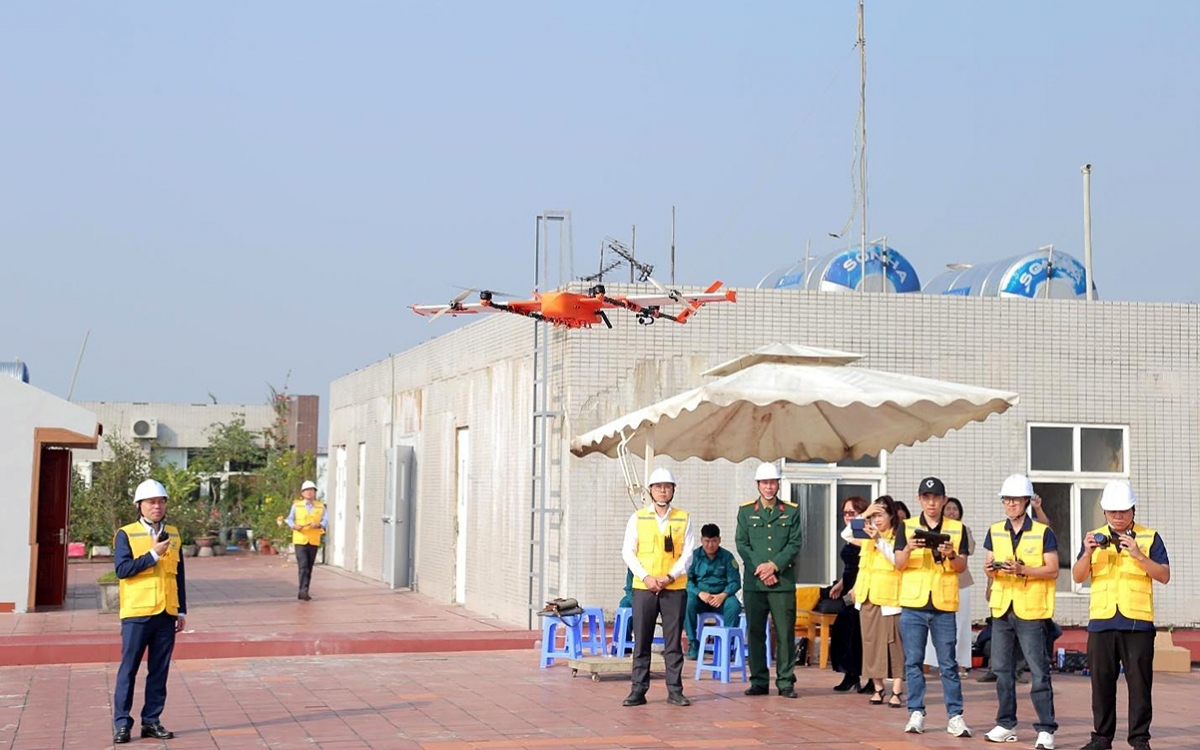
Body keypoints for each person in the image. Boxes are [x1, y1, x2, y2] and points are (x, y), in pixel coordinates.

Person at [1072, 480, 1170, 750]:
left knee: (1139, 685)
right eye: (1112, 511)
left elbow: (1164, 576)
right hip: (1102, 621)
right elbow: (1078, 576)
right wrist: (1087, 553)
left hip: (1137, 622)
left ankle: (1139, 740)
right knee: (1101, 684)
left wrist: (1138, 555)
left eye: (1123, 511)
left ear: (1133, 510)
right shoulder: (1094, 537)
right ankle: (1102, 738)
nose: (1118, 516)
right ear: (1104, 512)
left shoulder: (1149, 537)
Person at [981, 474, 1059, 750]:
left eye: (1015, 499)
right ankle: (1005, 723)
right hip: (1002, 608)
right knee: (1002, 670)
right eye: (1006, 499)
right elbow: (987, 564)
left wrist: (1023, 569)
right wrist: (990, 570)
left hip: (1031, 608)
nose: (1010, 503)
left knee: (1038, 671)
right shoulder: (994, 530)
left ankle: (1046, 729)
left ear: (1027, 501)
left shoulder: (1042, 532)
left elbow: (1052, 569)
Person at [893, 477, 971, 738]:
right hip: (913, 603)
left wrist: (950, 554)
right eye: (926, 498)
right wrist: (908, 547)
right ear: (919, 500)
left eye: (936, 498)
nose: (931, 502)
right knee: (913, 661)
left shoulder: (957, 528)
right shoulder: (907, 526)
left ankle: (955, 716)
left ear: (944, 500)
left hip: (943, 603)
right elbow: (898, 563)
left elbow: (961, 567)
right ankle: (916, 712)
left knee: (948, 663)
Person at [112, 479, 187, 744]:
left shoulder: (174, 534)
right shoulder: (126, 533)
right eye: (151, 502)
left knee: (159, 670)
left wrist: (181, 610)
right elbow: (122, 570)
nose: (157, 506)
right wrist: (153, 555)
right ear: (139, 505)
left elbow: (178, 575)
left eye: (161, 501)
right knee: (128, 669)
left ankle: (151, 721)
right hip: (136, 614)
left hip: (166, 613)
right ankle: (122, 723)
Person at [621, 467, 695, 707]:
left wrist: (669, 577)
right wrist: (647, 577)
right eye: (658, 487)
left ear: (673, 490)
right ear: (651, 491)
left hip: (673, 588)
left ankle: (675, 690)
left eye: (667, 487)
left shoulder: (683, 518)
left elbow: (688, 554)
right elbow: (628, 552)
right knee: (642, 640)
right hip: (645, 588)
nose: (663, 491)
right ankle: (638, 690)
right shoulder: (638, 517)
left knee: (673, 642)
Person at [735, 462, 803, 699]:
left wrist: (774, 566)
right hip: (755, 583)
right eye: (764, 482)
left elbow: (794, 544)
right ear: (758, 485)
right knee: (755, 632)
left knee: (784, 633)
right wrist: (762, 569)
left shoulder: (791, 511)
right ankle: (759, 680)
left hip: (782, 582)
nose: (769, 487)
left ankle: (786, 682)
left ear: (778, 484)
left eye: (773, 482)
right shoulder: (746, 511)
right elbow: (742, 544)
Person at [843, 495, 905, 707]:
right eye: (874, 515)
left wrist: (879, 538)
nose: (877, 520)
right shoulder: (866, 533)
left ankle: (897, 690)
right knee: (870, 644)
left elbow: (896, 560)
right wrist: (864, 515)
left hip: (889, 598)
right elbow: (846, 533)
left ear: (891, 516)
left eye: (881, 515)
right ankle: (878, 688)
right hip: (866, 595)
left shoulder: (897, 535)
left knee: (893, 644)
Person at [925, 497, 975, 674]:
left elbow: (970, 549)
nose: (952, 512)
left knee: (961, 624)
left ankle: (961, 662)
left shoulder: (963, 530)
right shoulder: (932, 529)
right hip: (937, 582)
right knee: (934, 623)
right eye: (948, 509)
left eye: (955, 509)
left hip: (961, 582)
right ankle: (934, 661)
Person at [830, 496, 871, 693]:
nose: (847, 517)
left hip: (862, 589)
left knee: (861, 633)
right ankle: (851, 674)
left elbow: (867, 564)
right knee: (845, 630)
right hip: (849, 587)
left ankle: (871, 677)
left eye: (852, 513)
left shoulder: (867, 534)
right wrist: (840, 583)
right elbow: (850, 565)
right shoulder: (852, 533)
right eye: (845, 513)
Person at [684, 523, 742, 660]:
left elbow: (735, 581)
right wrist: (699, 593)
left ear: (719, 540)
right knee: (687, 602)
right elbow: (686, 581)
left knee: (734, 605)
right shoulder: (694, 557)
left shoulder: (727, 557)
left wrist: (723, 595)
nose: (710, 545)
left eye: (714, 541)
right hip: (701, 598)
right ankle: (693, 644)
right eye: (707, 541)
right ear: (701, 540)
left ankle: (728, 646)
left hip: (721, 598)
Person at [286, 480, 327, 600]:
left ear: (315, 493)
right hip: (300, 539)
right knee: (303, 565)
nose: (310, 493)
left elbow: (325, 520)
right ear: (302, 493)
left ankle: (305, 590)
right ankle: (303, 590)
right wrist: (294, 526)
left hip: (313, 540)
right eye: (307, 490)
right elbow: (289, 519)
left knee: (309, 566)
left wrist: (319, 525)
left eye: (312, 490)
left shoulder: (320, 506)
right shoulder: (296, 505)